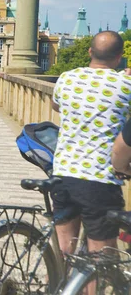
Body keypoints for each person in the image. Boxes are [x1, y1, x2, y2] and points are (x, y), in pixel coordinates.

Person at [51, 31, 131, 265]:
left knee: (64, 252)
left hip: (63, 172)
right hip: (100, 179)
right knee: (100, 260)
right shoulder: (125, 84)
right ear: (119, 56)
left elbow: (56, 105)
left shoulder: (66, 78)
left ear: (89, 52)